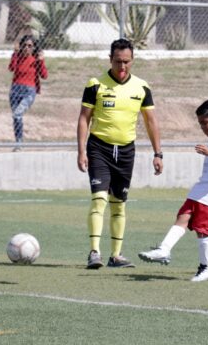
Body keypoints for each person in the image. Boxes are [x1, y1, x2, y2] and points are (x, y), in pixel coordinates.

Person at [77, 38, 163, 269]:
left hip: (126, 151)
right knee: (99, 200)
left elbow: (151, 121)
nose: (122, 67)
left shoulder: (142, 87)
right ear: (110, 59)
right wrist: (81, 151)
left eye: (126, 62)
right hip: (99, 148)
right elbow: (84, 118)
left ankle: (116, 255)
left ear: (132, 60)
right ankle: (94, 252)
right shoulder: (95, 84)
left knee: (119, 204)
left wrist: (158, 153)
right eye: (118, 62)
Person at [139, 99, 208, 282]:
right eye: (200, 123)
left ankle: (206, 266)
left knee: (203, 229)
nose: (202, 127)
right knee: (183, 216)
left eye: (204, 123)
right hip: (202, 188)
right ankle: (164, 249)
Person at [8, 34, 48, 151]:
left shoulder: (36, 59)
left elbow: (44, 76)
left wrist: (41, 61)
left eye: (30, 46)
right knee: (16, 118)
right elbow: (11, 68)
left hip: (29, 91)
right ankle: (18, 142)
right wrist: (15, 54)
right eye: (24, 45)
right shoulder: (18, 57)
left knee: (17, 114)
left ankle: (19, 144)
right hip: (15, 90)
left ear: (34, 47)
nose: (27, 48)